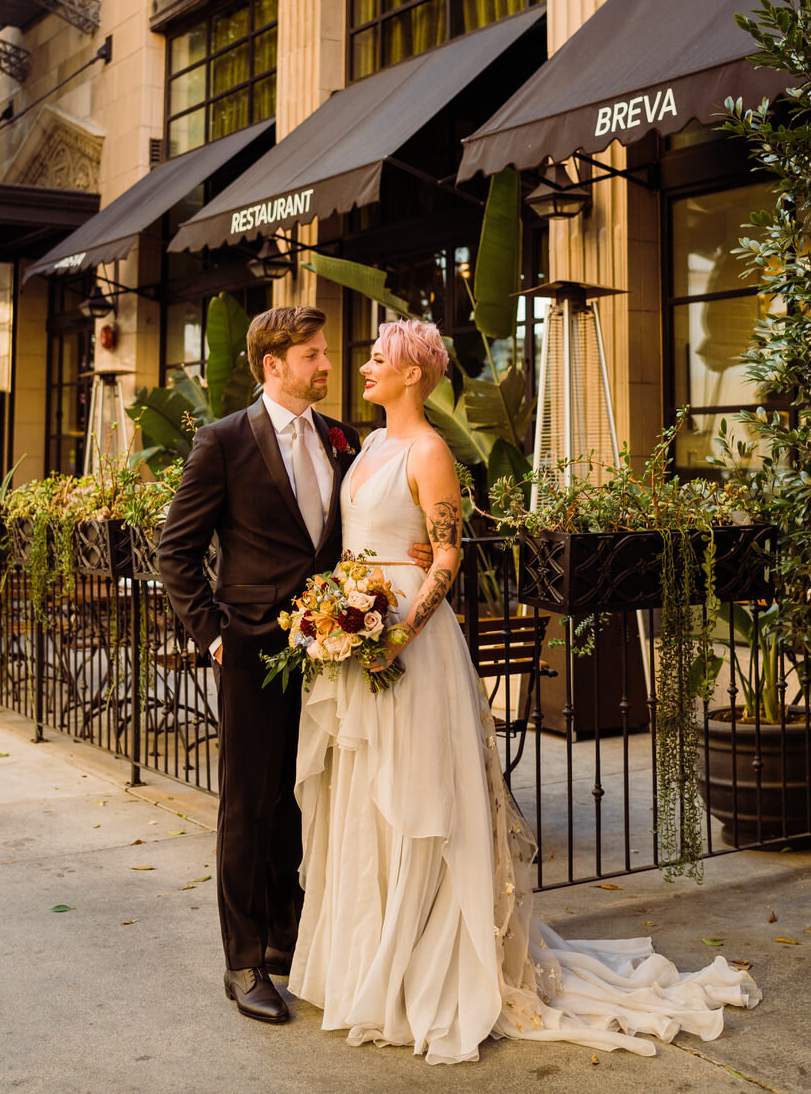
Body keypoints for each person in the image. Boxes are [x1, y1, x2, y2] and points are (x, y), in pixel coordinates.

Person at [289, 317, 761, 1065]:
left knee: (418, 800)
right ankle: (370, 960)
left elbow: (445, 555)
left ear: (414, 372)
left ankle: (431, 967)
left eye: (379, 358)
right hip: (358, 633)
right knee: (368, 797)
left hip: (407, 641)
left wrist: (395, 635)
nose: (366, 367)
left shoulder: (430, 449)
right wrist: (341, 619)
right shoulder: (368, 444)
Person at [157, 305, 430, 1026]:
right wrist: (215, 637)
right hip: (250, 649)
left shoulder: (340, 437)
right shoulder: (222, 442)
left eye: (324, 351)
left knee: (300, 797)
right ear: (272, 364)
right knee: (248, 806)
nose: (326, 364)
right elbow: (175, 552)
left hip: (330, 648)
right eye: (312, 354)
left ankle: (285, 938)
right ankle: (242, 961)